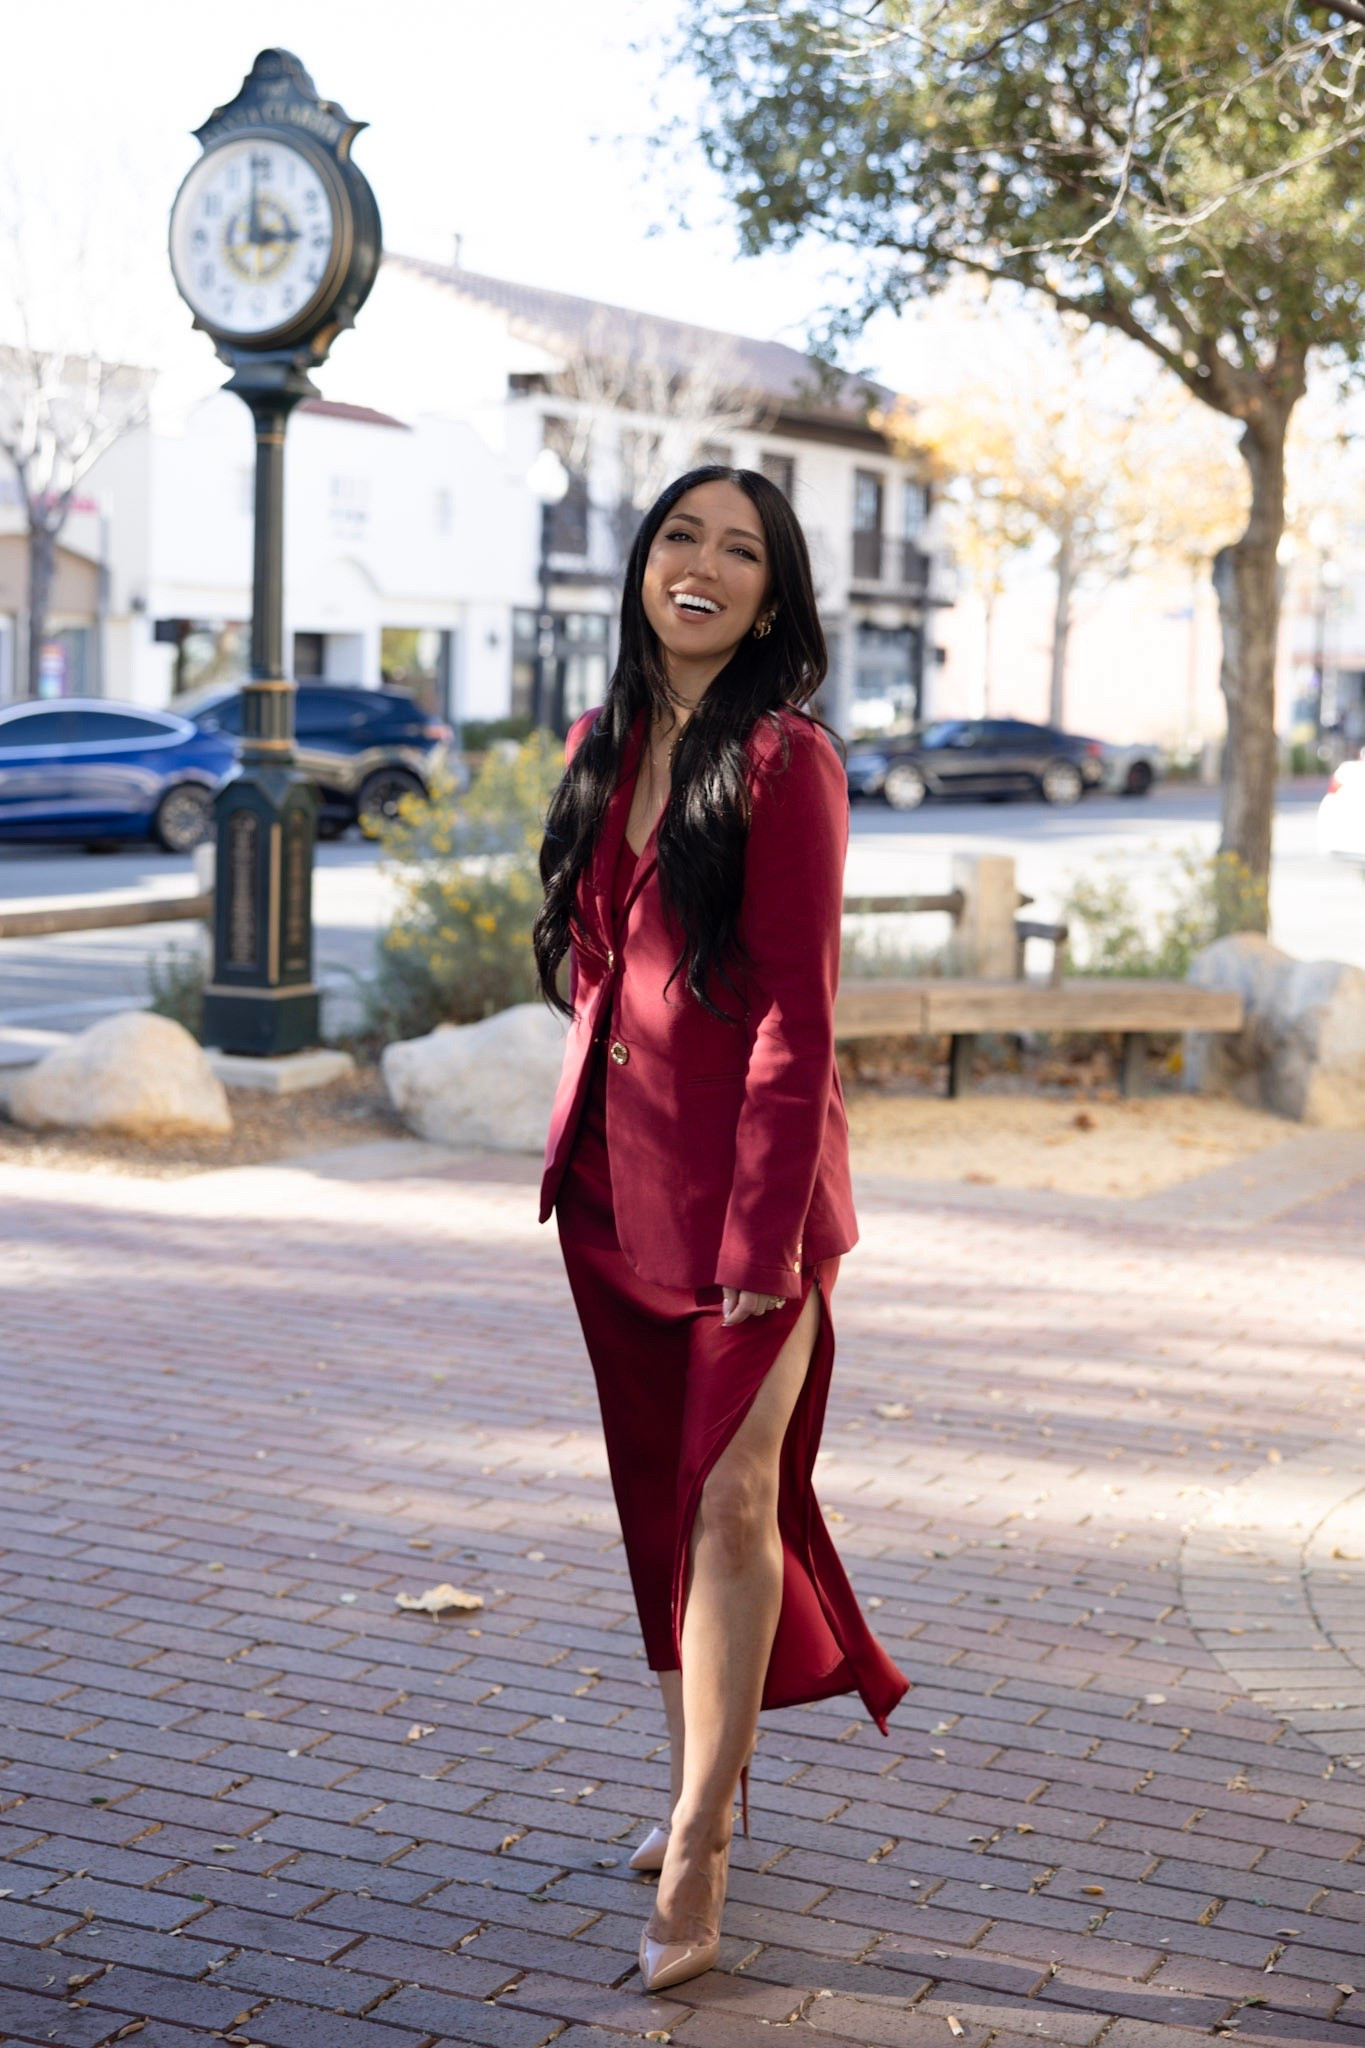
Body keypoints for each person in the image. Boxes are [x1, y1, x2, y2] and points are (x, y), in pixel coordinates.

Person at [534, 466, 908, 1993]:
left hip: (752, 1205)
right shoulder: (597, 741)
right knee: (662, 1498)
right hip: (610, 1195)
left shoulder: (785, 760)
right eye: (680, 536)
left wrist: (764, 1241)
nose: (701, 563)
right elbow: (590, 964)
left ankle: (700, 1840)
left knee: (734, 1500)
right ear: (642, 564)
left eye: (739, 550)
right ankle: (711, 1769)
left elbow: (797, 1022)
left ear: (771, 597)